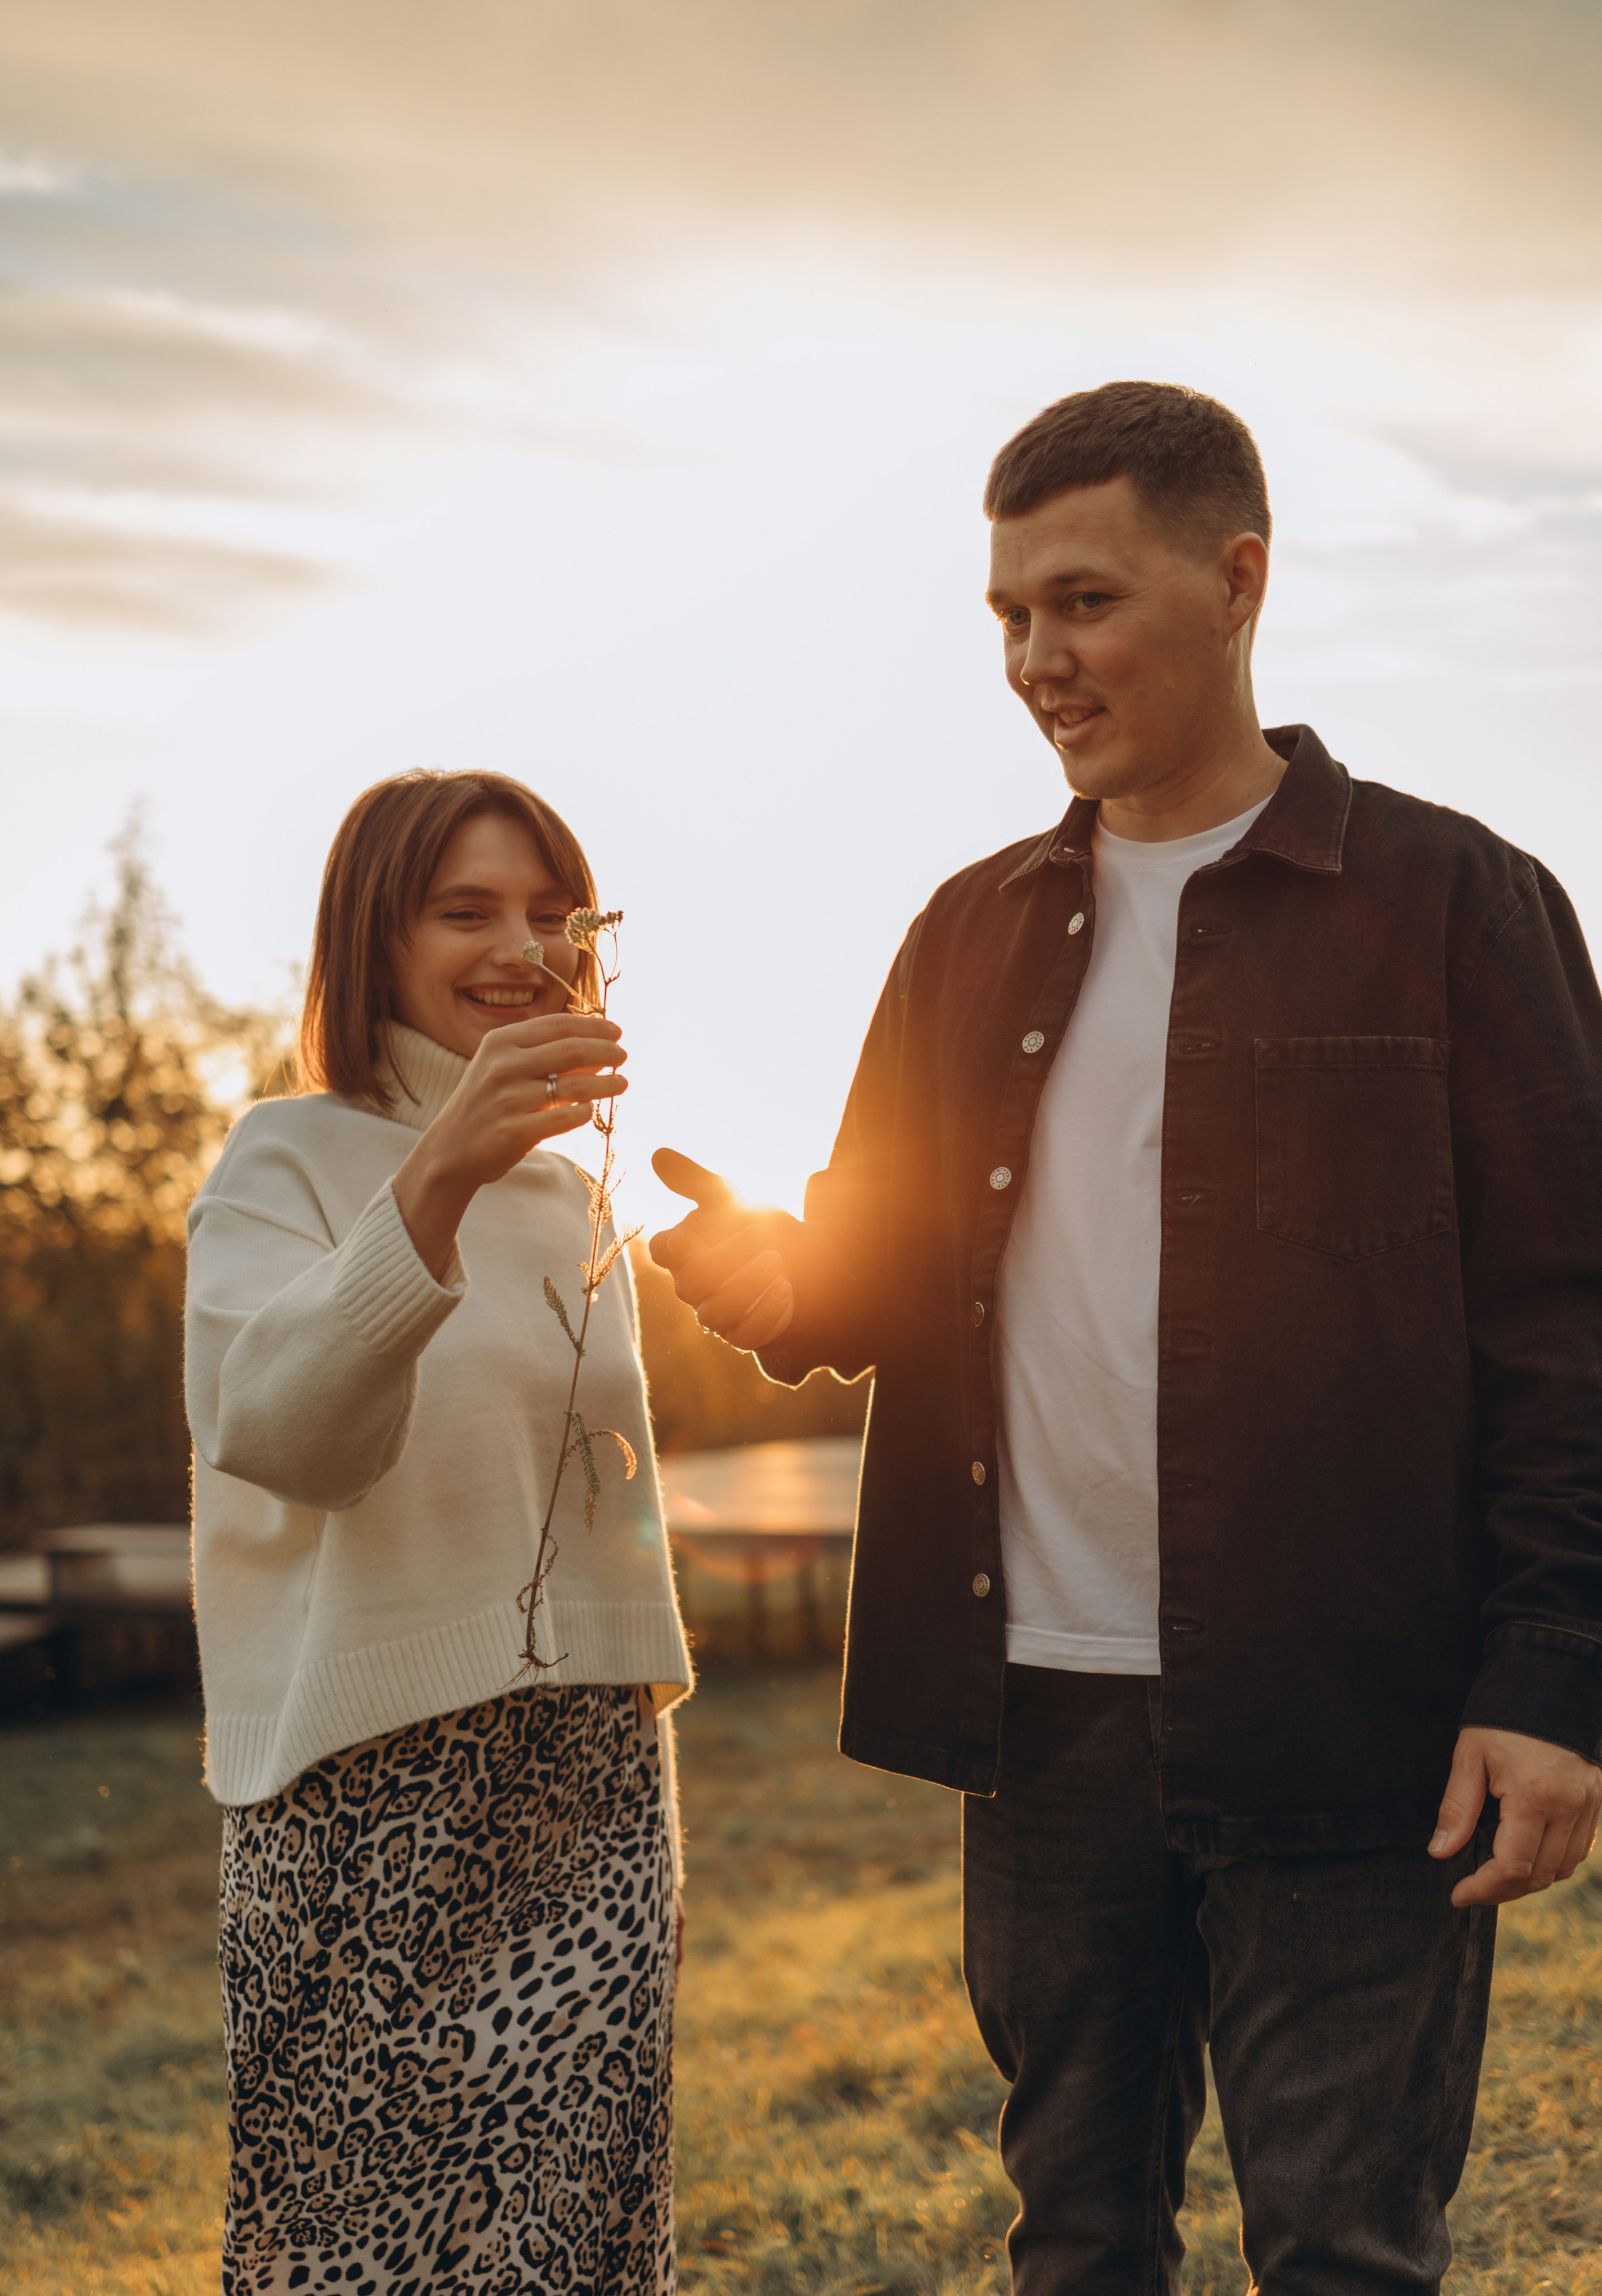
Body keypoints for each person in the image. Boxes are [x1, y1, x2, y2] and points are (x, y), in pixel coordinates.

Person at [648, 382, 1602, 2294]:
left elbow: (1567, 1328)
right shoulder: (962, 931)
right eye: (1007, 614)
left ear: (1238, 579)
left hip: (1361, 1713)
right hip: (1045, 1709)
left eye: (1081, 602)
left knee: (1345, 2246)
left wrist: (1556, 1671)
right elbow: (883, 1265)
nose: (1035, 659)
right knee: (1075, 2238)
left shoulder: (1455, 905)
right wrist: (767, 1274)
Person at [186, 769, 691, 2296]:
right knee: (353, 2256)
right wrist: (436, 1175)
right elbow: (274, 1431)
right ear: (375, 940)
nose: (518, 945)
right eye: (463, 910)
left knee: (576, 2247)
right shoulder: (286, 1160)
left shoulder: (563, 1188)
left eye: (550, 912)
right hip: (366, 1802)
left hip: (591, 1779)